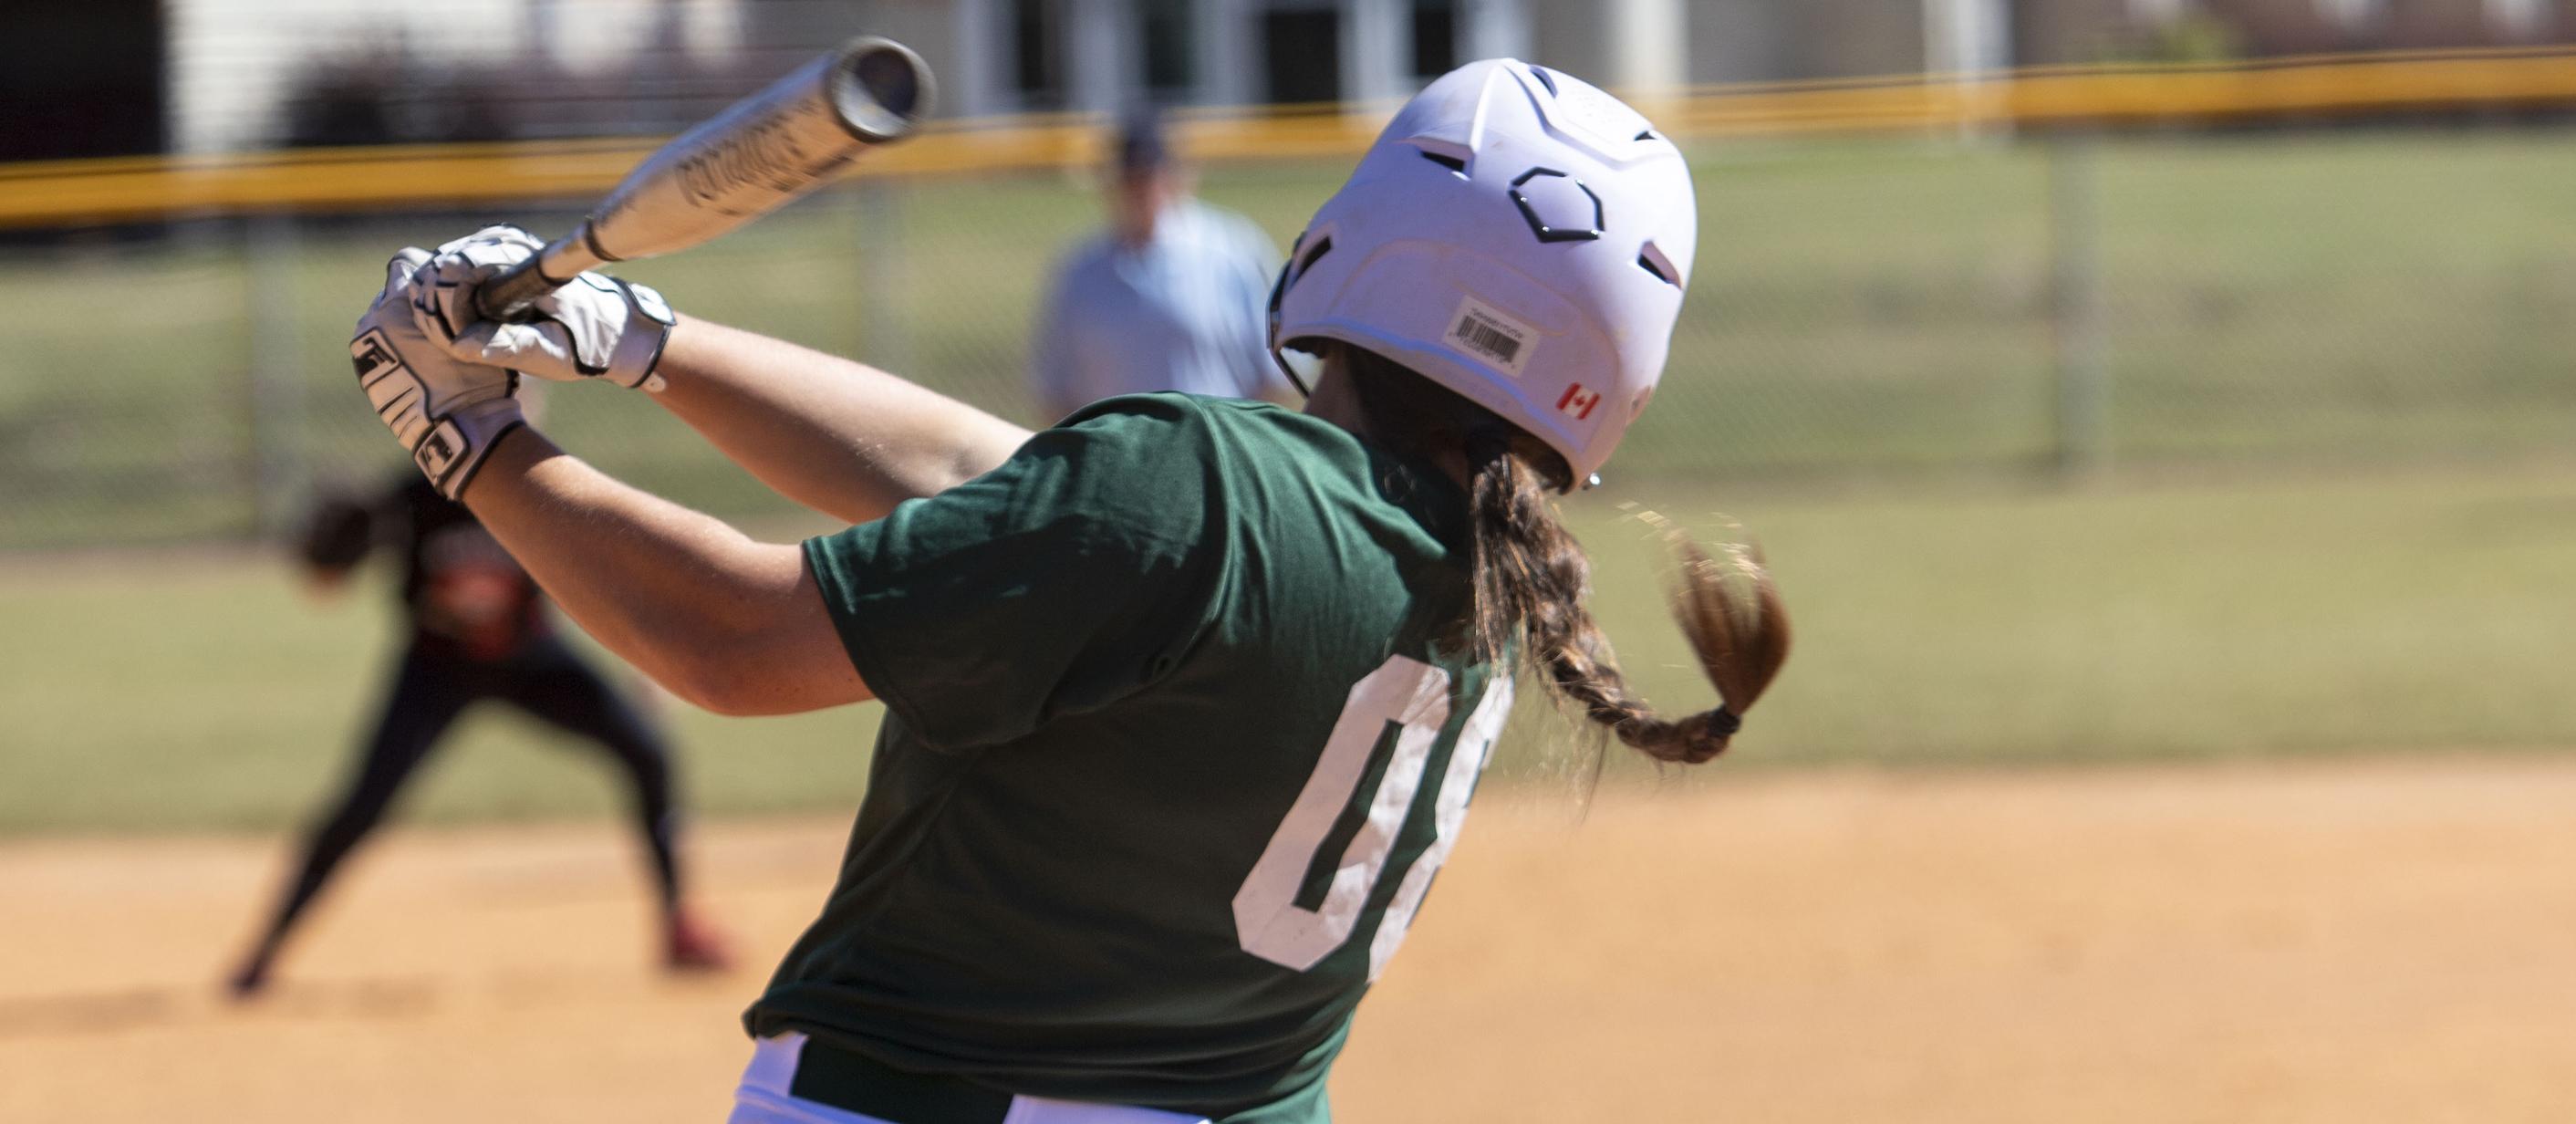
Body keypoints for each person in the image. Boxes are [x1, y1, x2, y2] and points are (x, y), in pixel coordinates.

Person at [341, 58, 1786, 1122]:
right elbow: (998, 485)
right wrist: (636, 335)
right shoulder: (1481, 577)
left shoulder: (1200, 489)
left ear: (1356, 242)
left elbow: (732, 641)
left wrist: (467, 440)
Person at [229, 452, 727, 999]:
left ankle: (680, 928)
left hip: (532, 661)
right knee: (362, 805)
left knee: (646, 751)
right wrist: (334, 545)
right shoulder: (410, 497)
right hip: (435, 671)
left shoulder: (542, 485)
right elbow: (325, 582)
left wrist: (649, 657)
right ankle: (263, 953)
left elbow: (610, 573)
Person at [1027, 109, 1297, 421]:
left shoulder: (1232, 250)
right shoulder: (1080, 270)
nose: (1143, 189)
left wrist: (1242, 446)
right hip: (1119, 459)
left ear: (1180, 175)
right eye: (1131, 177)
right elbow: (1055, 393)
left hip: (1217, 452)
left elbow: (1276, 376)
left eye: (1151, 175)